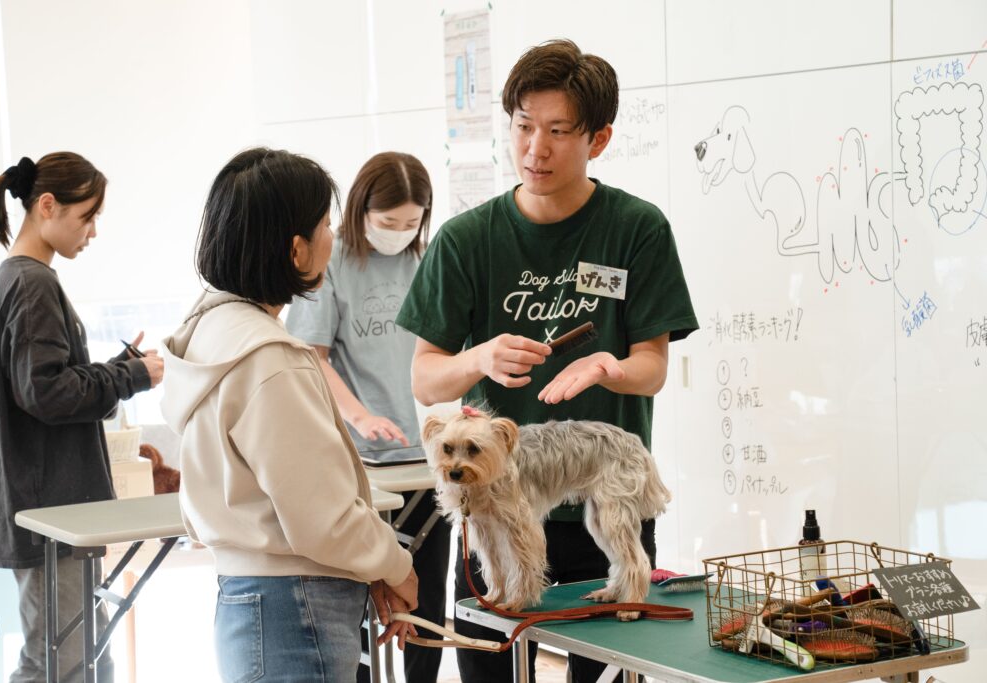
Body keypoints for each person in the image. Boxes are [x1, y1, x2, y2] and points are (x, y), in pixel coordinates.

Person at [395, 40, 699, 682]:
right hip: (493, 505)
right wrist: (478, 356)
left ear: (600, 137)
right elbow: (426, 379)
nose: (536, 148)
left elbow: (652, 366)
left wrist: (608, 367)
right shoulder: (465, 240)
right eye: (524, 127)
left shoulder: (636, 229)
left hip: (595, 491)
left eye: (559, 131)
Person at [160, 147, 419, 683]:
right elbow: (322, 518)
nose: (334, 237)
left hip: (246, 596)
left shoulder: (210, 330)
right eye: (326, 225)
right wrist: (397, 566)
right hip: (296, 608)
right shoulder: (271, 361)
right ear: (297, 250)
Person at [0, 152, 165, 683]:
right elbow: (48, 393)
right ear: (47, 206)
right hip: (49, 511)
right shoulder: (32, 282)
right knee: (59, 662)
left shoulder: (22, 278)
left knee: (80, 657)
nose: (94, 232)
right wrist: (131, 378)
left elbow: (45, 383)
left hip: (50, 509)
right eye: (87, 217)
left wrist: (119, 370)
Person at [285, 151, 450, 683]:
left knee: (426, 594)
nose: (399, 234)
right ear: (360, 211)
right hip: (361, 465)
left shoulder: (425, 260)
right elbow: (311, 356)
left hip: (426, 460)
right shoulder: (330, 262)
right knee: (359, 592)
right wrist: (358, 418)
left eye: (410, 223)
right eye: (387, 223)